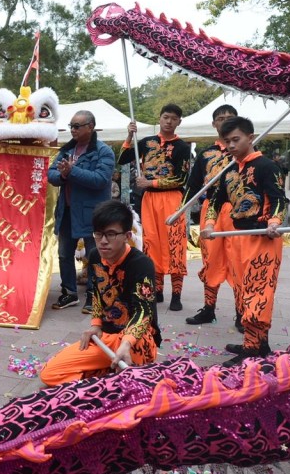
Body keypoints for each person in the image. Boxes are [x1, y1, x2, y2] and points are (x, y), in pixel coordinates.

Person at [39, 200, 159, 386]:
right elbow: (96, 293)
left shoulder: (141, 264)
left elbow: (144, 311)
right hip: (106, 338)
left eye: (111, 234)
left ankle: (119, 373)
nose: (103, 241)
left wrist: (126, 342)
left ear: (127, 235)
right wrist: (95, 324)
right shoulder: (95, 256)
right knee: (50, 373)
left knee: (133, 384)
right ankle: (111, 376)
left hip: (136, 341)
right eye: (98, 234)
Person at [201, 116, 288, 365]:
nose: (231, 145)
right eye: (227, 141)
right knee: (244, 289)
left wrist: (274, 222)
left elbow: (280, 199)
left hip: (262, 238)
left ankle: (252, 348)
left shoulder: (266, 166)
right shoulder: (229, 170)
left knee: (258, 291)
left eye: (235, 140)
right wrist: (208, 224)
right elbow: (215, 201)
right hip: (237, 238)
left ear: (251, 137)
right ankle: (260, 343)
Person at [118, 104, 191, 311]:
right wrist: (129, 136)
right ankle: (157, 290)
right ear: (159, 118)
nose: (169, 121)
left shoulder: (183, 147)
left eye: (173, 118)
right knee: (152, 243)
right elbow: (122, 159)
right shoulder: (146, 143)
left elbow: (181, 178)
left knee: (175, 243)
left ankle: (176, 294)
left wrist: (151, 183)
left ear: (179, 122)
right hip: (149, 201)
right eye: (166, 117)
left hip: (172, 199)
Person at [47, 111, 115, 313]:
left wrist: (72, 171)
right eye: (71, 126)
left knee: (95, 254)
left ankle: (95, 294)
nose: (73, 130)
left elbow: (100, 179)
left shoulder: (103, 151)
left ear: (90, 127)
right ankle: (69, 292)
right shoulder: (67, 150)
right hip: (66, 210)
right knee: (64, 254)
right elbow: (51, 174)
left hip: (93, 213)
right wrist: (64, 174)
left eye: (77, 126)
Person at [182, 104, 238, 326]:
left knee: (238, 262)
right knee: (211, 261)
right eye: (220, 118)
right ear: (214, 124)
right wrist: (180, 209)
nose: (224, 122)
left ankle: (242, 312)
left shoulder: (247, 151)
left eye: (230, 118)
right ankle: (208, 308)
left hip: (239, 213)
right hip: (211, 212)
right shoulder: (206, 154)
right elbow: (192, 185)